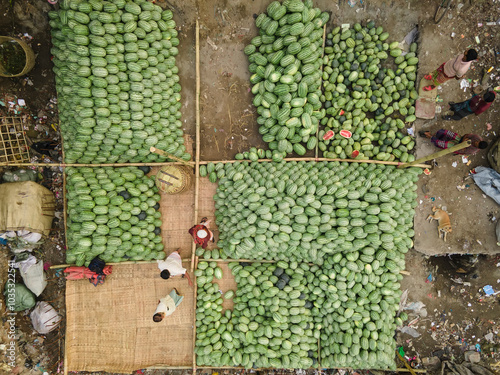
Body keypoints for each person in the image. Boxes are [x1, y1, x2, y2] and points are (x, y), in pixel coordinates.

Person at [419, 130, 488, 155]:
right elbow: (466, 135)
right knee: (445, 132)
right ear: (479, 140)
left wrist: (462, 144)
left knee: (441, 143)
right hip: (461, 140)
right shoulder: (477, 137)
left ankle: (430, 136)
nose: (475, 142)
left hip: (458, 147)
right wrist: (463, 140)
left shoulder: (472, 151)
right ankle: (434, 135)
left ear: (477, 147)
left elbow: (462, 150)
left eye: (476, 144)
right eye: (476, 142)